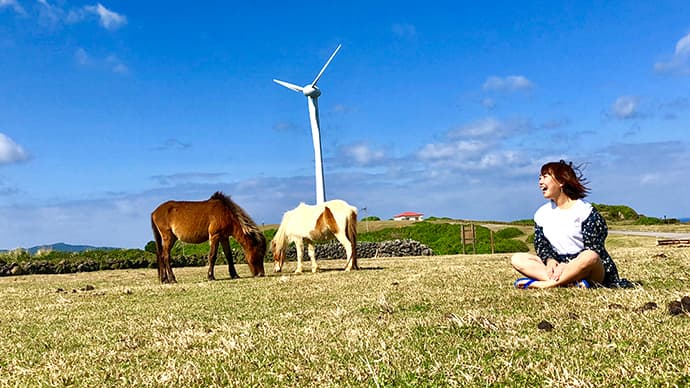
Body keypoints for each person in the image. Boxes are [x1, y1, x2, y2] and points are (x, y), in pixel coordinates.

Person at [511, 160, 631, 289]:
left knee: (590, 256)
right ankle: (569, 283)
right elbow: (542, 245)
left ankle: (547, 284)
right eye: (539, 177)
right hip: (558, 265)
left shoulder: (585, 211)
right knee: (518, 259)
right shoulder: (541, 214)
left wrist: (568, 265)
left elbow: (595, 248)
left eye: (545, 177)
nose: (540, 182)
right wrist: (550, 260)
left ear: (561, 181)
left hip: (588, 268)